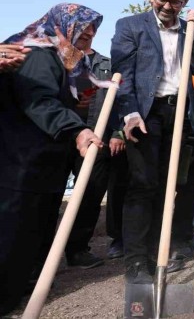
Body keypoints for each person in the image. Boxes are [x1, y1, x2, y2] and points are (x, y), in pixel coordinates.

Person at [0, 3, 103, 315]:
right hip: (22, 165)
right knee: (13, 236)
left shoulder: (62, 59)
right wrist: (77, 131)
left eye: (91, 33)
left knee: (35, 234)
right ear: (63, 27)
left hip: (43, 165)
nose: (88, 39)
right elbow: (39, 101)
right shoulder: (39, 55)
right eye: (82, 32)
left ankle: (24, 287)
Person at [111, 0, 194, 284]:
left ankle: (157, 252)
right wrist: (130, 115)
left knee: (168, 187)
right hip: (145, 115)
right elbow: (122, 75)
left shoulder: (188, 30)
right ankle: (136, 261)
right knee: (142, 185)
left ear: (185, 2)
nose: (167, 5)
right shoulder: (130, 26)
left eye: (175, 1)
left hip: (178, 115)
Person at [64, 46, 128, 268]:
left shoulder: (108, 66)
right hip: (60, 138)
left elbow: (123, 101)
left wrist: (119, 132)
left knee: (90, 193)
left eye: (90, 30)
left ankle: (78, 249)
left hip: (96, 138)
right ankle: (38, 257)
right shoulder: (55, 62)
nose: (84, 34)